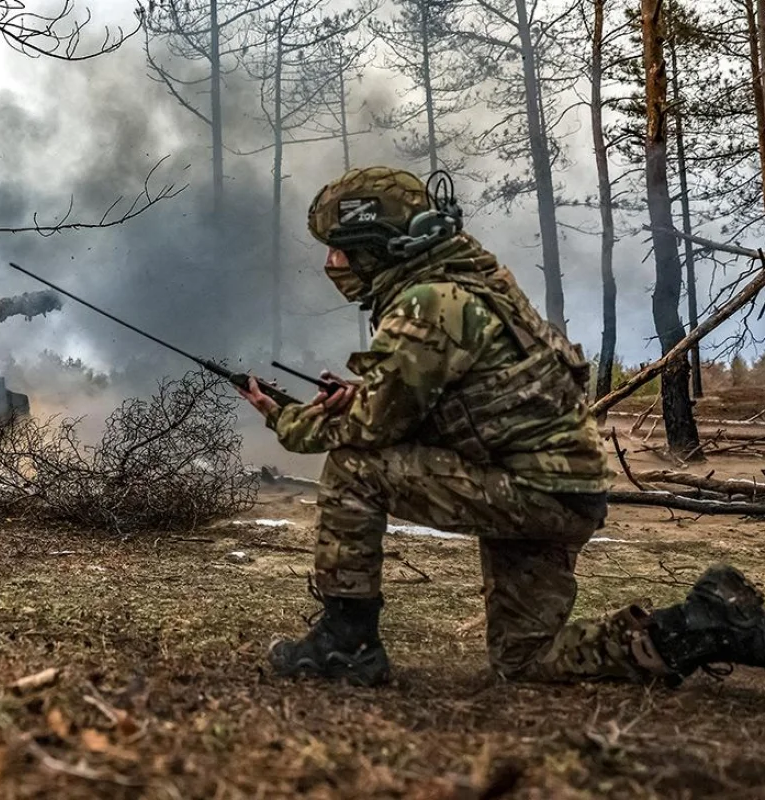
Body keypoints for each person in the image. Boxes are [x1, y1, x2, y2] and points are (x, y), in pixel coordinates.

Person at [237, 165, 765, 687]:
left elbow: (370, 432)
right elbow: (456, 404)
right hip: (558, 490)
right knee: (528, 659)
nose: (332, 262)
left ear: (379, 246)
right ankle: (704, 623)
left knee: (355, 468)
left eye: (342, 248)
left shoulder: (430, 302)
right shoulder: (474, 283)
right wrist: (369, 400)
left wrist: (284, 416)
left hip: (530, 490)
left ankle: (345, 645)